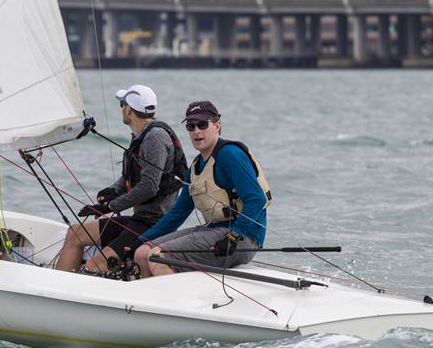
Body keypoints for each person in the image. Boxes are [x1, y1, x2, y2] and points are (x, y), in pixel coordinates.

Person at [55, 85, 187, 274]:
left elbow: (149, 187)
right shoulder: (141, 135)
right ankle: (59, 286)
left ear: (129, 109)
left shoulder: (155, 138)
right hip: (139, 219)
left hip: (153, 225)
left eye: (122, 104)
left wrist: (110, 207)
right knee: (75, 233)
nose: (122, 109)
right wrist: (113, 191)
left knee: (95, 265)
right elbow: (130, 176)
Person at [133, 100, 272, 278]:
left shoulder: (230, 155)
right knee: (142, 252)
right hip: (212, 231)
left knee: (159, 257)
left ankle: (175, 303)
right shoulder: (195, 167)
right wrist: (142, 238)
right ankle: (147, 302)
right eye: (191, 126)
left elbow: (257, 199)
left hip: (242, 239)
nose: (196, 131)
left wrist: (233, 236)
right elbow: (178, 213)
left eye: (202, 124)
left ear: (217, 126)